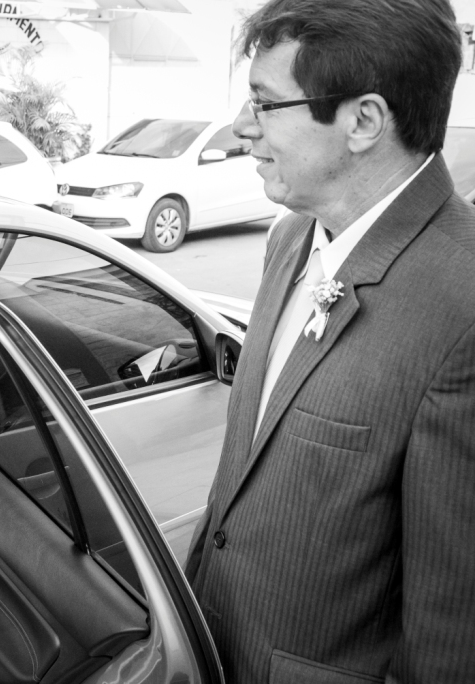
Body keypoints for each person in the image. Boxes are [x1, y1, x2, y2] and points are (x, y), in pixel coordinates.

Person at [185, 1, 475, 681]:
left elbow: (452, 625)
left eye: (265, 102)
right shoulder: (289, 237)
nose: (239, 128)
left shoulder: (463, 307)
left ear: (364, 121)